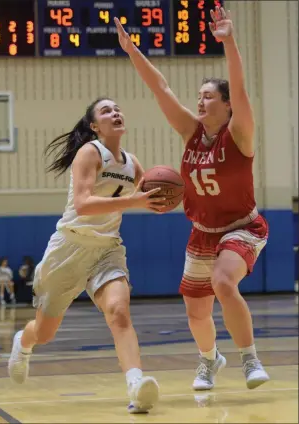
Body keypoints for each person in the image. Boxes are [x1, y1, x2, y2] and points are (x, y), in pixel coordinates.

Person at [115, 6, 270, 391]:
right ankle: (208, 360)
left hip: (242, 227)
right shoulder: (190, 132)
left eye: (208, 97)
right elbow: (160, 88)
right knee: (196, 312)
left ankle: (249, 358)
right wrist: (132, 51)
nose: (200, 102)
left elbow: (239, 84)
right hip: (202, 231)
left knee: (223, 280)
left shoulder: (240, 132)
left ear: (227, 103)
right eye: (198, 97)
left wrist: (229, 40)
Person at [8, 97, 166, 413]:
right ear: (95, 126)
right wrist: (134, 202)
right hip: (69, 247)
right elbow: (83, 203)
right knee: (45, 333)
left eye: (118, 108)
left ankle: (136, 385)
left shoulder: (132, 163)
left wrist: (174, 197)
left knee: (119, 312)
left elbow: (156, 195)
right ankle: (23, 343)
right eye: (106, 110)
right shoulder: (90, 152)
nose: (115, 112)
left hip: (106, 249)